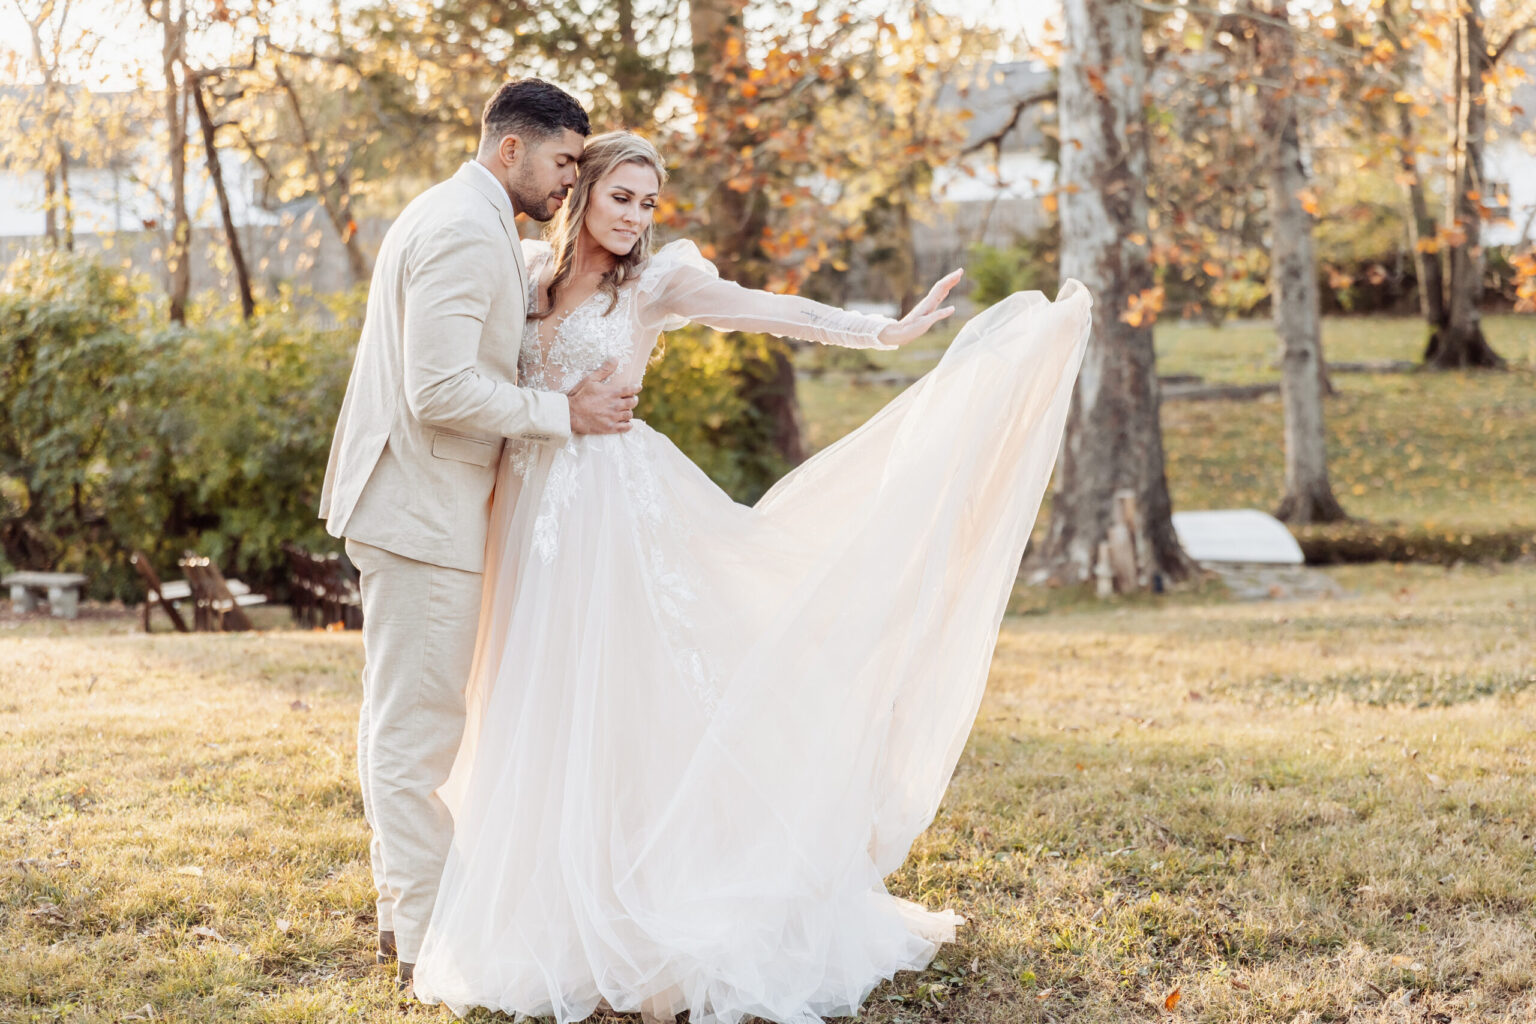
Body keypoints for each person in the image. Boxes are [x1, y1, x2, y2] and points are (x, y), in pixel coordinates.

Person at [411, 131, 1093, 1024]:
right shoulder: (530, 273)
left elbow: (760, 308)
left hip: (615, 513)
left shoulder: (655, 282)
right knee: (542, 701)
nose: (636, 217)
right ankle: (555, 894)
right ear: (581, 189)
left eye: (649, 203)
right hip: (531, 514)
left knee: (635, 698)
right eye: (622, 197)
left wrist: (877, 330)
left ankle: (656, 896)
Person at [317, 81, 641, 990]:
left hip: (424, 503)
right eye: (565, 162)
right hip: (420, 508)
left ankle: (402, 913)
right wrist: (562, 412)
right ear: (511, 152)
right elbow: (441, 390)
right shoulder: (463, 229)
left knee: (408, 718)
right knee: (417, 730)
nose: (572, 181)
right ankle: (422, 933)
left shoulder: (473, 215)